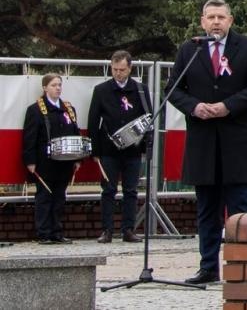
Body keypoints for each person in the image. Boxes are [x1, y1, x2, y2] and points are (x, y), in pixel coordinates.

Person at [167, 0, 247, 284]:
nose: (215, 22)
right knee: (207, 210)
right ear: (202, 21)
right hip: (203, 142)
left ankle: (244, 268)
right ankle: (208, 267)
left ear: (230, 20)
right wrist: (194, 106)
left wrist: (228, 106)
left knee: (241, 209)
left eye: (221, 17)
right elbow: (173, 89)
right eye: (210, 17)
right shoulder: (190, 49)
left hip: (237, 141)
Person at [86, 50, 151, 243]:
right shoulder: (101, 90)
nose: (118, 73)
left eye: (122, 70)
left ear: (130, 68)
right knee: (108, 190)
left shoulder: (140, 89)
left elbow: (148, 117)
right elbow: (93, 121)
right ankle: (107, 230)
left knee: (131, 190)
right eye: (114, 69)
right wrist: (95, 150)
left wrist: (144, 144)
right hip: (109, 149)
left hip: (132, 149)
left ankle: (128, 229)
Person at [22, 73, 83, 243]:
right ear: (45, 88)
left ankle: (57, 232)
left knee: (59, 197)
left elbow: (75, 133)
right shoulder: (35, 110)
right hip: (45, 162)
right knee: (44, 197)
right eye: (53, 85)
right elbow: (29, 138)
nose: (57, 88)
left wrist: (78, 158)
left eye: (59, 85)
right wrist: (30, 161)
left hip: (64, 161)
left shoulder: (68, 109)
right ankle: (44, 233)